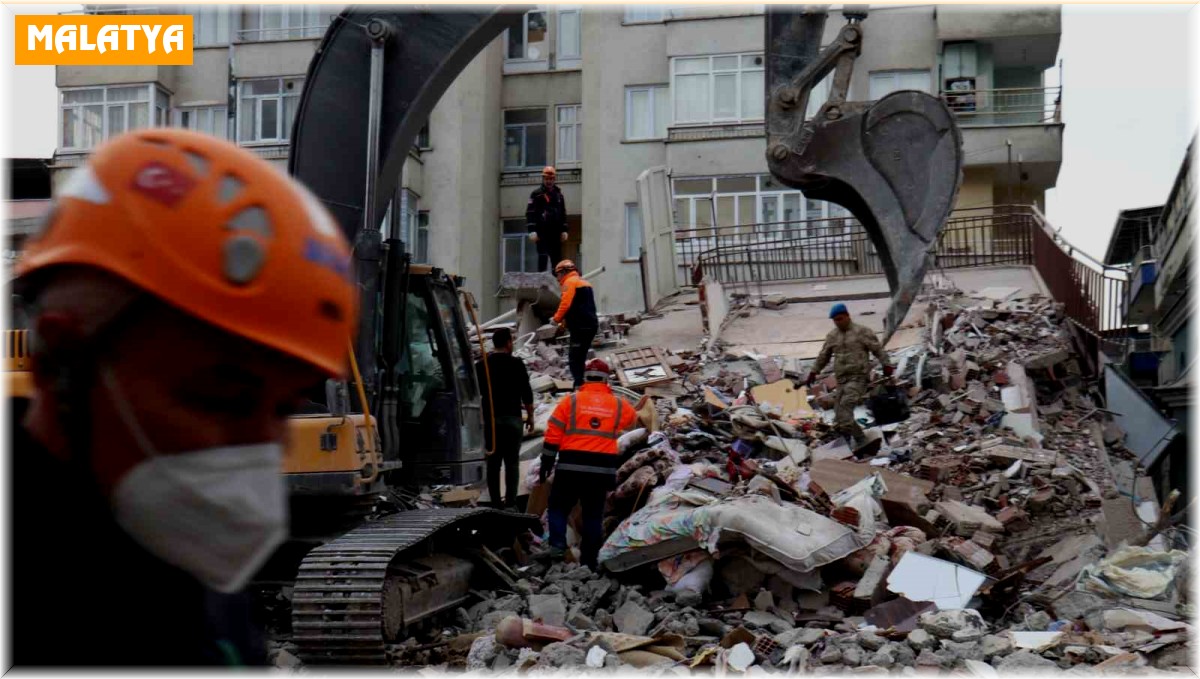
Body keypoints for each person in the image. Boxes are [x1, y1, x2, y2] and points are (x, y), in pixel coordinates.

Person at [10, 129, 357, 666]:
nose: (262, 448)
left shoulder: (190, 560)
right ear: (65, 357)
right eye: (220, 397)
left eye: (284, 409)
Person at [538, 359, 640, 569]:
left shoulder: (570, 401)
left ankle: (557, 547)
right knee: (593, 514)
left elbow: (553, 431)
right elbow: (631, 420)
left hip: (570, 466)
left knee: (558, 507)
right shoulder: (619, 404)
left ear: (585, 377)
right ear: (607, 380)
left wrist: (546, 460)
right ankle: (589, 560)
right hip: (601, 469)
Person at [807, 303, 893, 450]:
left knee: (845, 410)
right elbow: (823, 356)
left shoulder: (862, 332)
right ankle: (847, 439)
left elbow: (877, 349)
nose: (838, 322)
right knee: (839, 414)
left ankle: (861, 440)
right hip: (841, 380)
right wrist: (813, 372)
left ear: (847, 316)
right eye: (835, 320)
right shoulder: (832, 336)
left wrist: (887, 364)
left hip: (858, 378)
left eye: (840, 319)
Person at [475, 327, 535, 510]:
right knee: (512, 464)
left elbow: (475, 393)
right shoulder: (516, 364)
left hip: (491, 421)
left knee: (492, 464)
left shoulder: (481, 365)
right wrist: (531, 416)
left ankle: (495, 504)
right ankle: (511, 503)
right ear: (508, 343)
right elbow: (527, 393)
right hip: (512, 420)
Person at [550, 259, 599, 389]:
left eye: (558, 274)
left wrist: (556, 319)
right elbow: (576, 306)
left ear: (564, 272)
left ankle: (579, 386)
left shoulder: (569, 282)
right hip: (590, 325)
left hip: (580, 327)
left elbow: (565, 303)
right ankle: (584, 384)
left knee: (574, 358)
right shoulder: (584, 282)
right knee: (580, 356)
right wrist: (564, 324)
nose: (557, 278)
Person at [525, 165, 569, 272]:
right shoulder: (536, 194)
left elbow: (563, 213)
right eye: (546, 179)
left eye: (551, 179)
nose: (549, 181)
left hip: (555, 232)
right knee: (543, 256)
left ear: (554, 179)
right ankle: (541, 281)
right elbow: (530, 212)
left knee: (557, 259)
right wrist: (532, 230)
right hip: (542, 232)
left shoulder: (559, 195)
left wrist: (564, 230)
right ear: (543, 179)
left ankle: (557, 282)